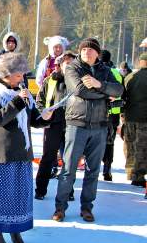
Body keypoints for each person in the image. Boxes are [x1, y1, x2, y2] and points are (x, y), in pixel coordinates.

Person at [0, 53, 52, 243]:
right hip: (2, 154)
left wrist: (45, 117)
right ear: (7, 74)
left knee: (20, 195)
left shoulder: (22, 91)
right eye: (18, 74)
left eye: (22, 74)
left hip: (23, 152)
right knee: (0, 195)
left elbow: (32, 119)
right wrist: (19, 101)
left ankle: (15, 228)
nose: (22, 78)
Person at [52, 38, 124, 223]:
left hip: (99, 126)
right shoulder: (72, 68)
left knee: (93, 171)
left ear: (97, 53)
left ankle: (87, 208)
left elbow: (119, 90)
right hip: (77, 124)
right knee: (68, 170)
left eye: (91, 50)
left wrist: (99, 84)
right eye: (84, 49)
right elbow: (79, 90)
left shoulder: (105, 71)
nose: (86, 52)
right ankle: (60, 207)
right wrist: (105, 94)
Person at [35, 51, 76, 200]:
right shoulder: (49, 80)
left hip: (73, 125)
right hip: (53, 125)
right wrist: (43, 113)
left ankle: (68, 191)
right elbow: (40, 101)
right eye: (67, 63)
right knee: (47, 158)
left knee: (69, 160)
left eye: (72, 63)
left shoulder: (78, 81)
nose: (70, 66)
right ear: (60, 65)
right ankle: (40, 190)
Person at [122, 52, 147, 189]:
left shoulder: (130, 77)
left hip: (129, 117)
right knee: (142, 147)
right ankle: (139, 176)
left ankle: (131, 173)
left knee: (130, 146)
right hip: (144, 118)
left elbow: (122, 96)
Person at [100, 50, 124, 182]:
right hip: (113, 114)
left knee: (94, 140)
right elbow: (123, 92)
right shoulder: (117, 73)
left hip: (98, 112)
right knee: (110, 142)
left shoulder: (97, 71)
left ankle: (91, 167)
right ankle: (107, 169)